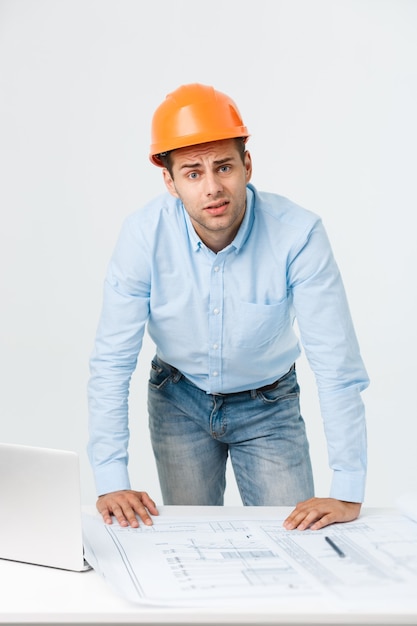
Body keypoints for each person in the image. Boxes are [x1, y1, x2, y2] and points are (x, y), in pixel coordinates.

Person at [87, 83, 369, 532]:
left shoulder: (298, 235)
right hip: (178, 399)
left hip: (269, 404)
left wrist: (348, 488)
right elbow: (111, 362)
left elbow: (336, 363)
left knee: (296, 543)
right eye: (193, 173)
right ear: (170, 181)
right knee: (193, 546)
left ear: (247, 165)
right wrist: (110, 479)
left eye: (224, 167)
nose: (213, 188)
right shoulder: (142, 236)